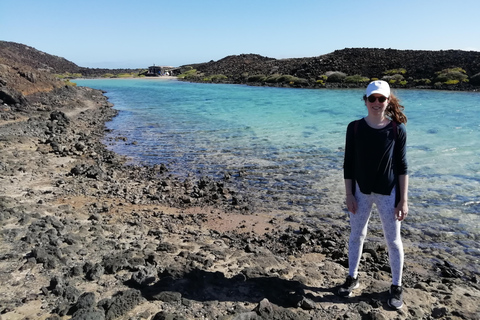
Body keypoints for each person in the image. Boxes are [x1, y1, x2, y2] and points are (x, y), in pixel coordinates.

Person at [339, 80, 409, 310]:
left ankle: (396, 286)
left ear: (388, 101)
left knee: (393, 241)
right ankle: (352, 277)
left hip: (389, 193)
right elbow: (348, 163)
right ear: (365, 100)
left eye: (381, 99)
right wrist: (349, 194)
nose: (376, 103)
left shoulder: (397, 129)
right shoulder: (355, 128)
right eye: (372, 98)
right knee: (356, 235)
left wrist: (403, 200)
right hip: (360, 192)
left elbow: (402, 167)